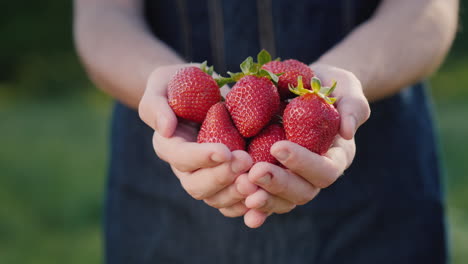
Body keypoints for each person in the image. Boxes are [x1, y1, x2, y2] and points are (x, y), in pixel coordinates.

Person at [74, 0, 458, 263]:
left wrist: (344, 78)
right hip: (162, 202)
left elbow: (425, 9)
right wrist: (168, 87)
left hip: (378, 196)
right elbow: (103, 15)